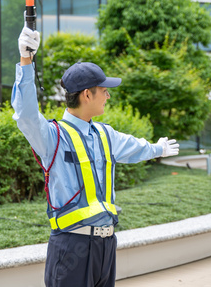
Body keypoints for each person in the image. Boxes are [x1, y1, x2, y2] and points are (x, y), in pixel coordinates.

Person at [12, 26, 179, 287]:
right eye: (104, 90)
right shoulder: (52, 136)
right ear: (87, 94)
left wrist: (158, 148)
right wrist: (26, 61)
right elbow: (26, 115)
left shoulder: (104, 134)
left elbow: (135, 147)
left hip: (106, 246)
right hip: (71, 247)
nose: (108, 95)